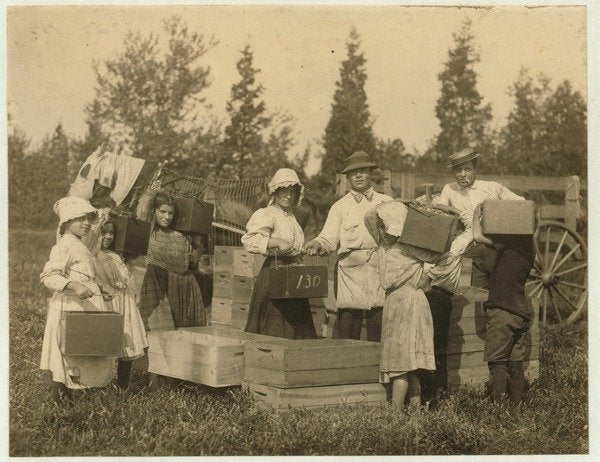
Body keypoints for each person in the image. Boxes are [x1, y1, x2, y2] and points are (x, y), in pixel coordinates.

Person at [303, 151, 392, 341]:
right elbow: (328, 238)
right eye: (354, 172)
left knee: (379, 325)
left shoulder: (386, 203)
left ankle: (377, 368)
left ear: (371, 173)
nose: (358, 175)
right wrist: (317, 243)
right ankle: (349, 368)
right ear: (348, 177)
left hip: (379, 270)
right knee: (348, 327)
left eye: (363, 171)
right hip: (350, 273)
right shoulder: (340, 207)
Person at [40, 197, 117, 403]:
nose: (86, 223)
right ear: (66, 221)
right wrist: (74, 285)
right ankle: (62, 397)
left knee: (89, 347)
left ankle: (86, 393)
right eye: (79, 219)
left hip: (88, 303)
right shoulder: (63, 246)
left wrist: (101, 287)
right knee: (69, 350)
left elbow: (86, 273)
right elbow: (48, 276)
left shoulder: (80, 245)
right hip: (71, 304)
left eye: (88, 219)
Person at [365, 200, 438, 409]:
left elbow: (443, 256)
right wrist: (395, 203)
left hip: (409, 302)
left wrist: (429, 277)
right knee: (405, 362)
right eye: (380, 226)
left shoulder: (410, 246)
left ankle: (395, 413)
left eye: (385, 225)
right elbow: (369, 217)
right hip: (393, 303)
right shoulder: (382, 246)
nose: (382, 230)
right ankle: (415, 412)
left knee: (403, 363)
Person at [242, 168, 316, 339]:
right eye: (284, 191)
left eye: (292, 192)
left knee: (295, 324)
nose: (288, 196)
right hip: (274, 272)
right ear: (274, 191)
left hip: (293, 275)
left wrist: (303, 249)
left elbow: (293, 245)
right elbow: (249, 240)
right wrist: (277, 242)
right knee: (274, 323)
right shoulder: (266, 214)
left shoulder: (292, 218)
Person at [473, 203, 535, 405]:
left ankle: (498, 410)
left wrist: (477, 214)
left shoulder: (506, 246)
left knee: (497, 362)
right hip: (521, 313)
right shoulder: (527, 249)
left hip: (502, 311)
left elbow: (477, 236)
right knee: (515, 362)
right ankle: (516, 409)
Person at [94, 218, 149, 390]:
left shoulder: (116, 256)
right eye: (104, 232)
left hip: (124, 302)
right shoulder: (91, 256)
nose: (108, 237)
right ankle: (99, 384)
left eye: (111, 233)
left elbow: (125, 279)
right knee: (107, 344)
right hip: (107, 302)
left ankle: (122, 386)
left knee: (126, 342)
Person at [139, 191, 207, 329]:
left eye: (170, 213)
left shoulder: (180, 236)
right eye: (162, 211)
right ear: (154, 211)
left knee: (189, 333)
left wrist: (197, 248)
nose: (167, 217)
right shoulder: (149, 235)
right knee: (160, 332)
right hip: (159, 287)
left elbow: (191, 264)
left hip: (186, 289)